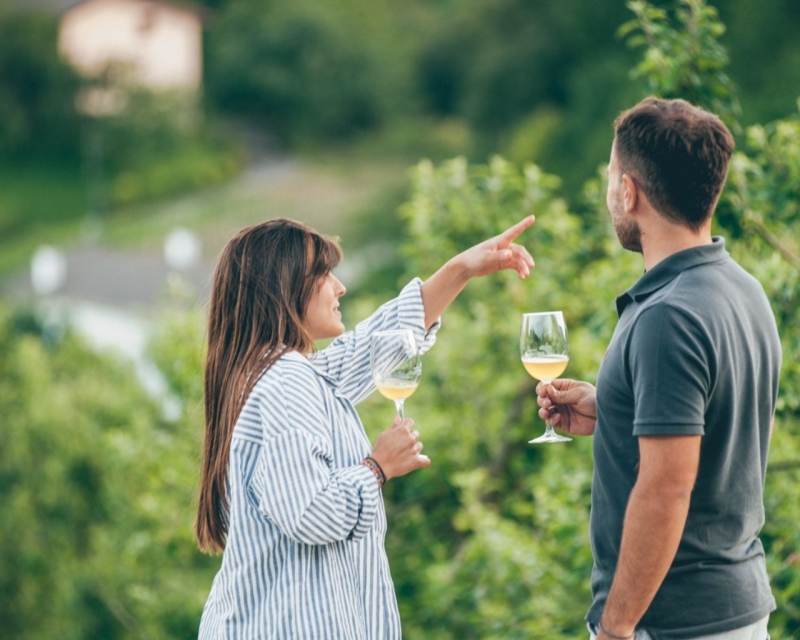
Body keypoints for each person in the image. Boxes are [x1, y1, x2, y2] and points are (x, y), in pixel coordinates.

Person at [196, 215, 535, 639]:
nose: (340, 287)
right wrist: (377, 466)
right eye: (324, 275)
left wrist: (461, 268)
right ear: (284, 288)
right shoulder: (285, 379)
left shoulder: (279, 374)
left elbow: (371, 348)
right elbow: (309, 513)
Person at [537, 97, 781, 640]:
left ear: (629, 191)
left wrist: (617, 627)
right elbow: (723, 427)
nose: (609, 196)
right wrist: (614, 409)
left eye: (609, 179)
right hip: (736, 608)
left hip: (676, 622)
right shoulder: (743, 289)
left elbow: (668, 485)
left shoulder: (667, 314)